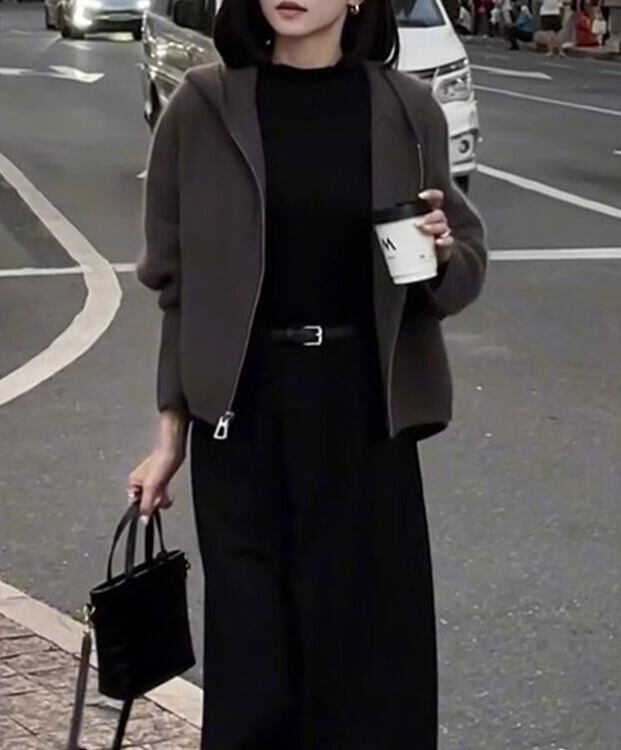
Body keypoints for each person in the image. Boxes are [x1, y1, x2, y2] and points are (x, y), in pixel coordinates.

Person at [131, 0, 488, 747]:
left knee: (368, 656)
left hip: (364, 410)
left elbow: (457, 275)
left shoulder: (406, 109)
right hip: (243, 414)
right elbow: (177, 287)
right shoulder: (203, 107)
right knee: (253, 659)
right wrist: (170, 435)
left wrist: (441, 252)